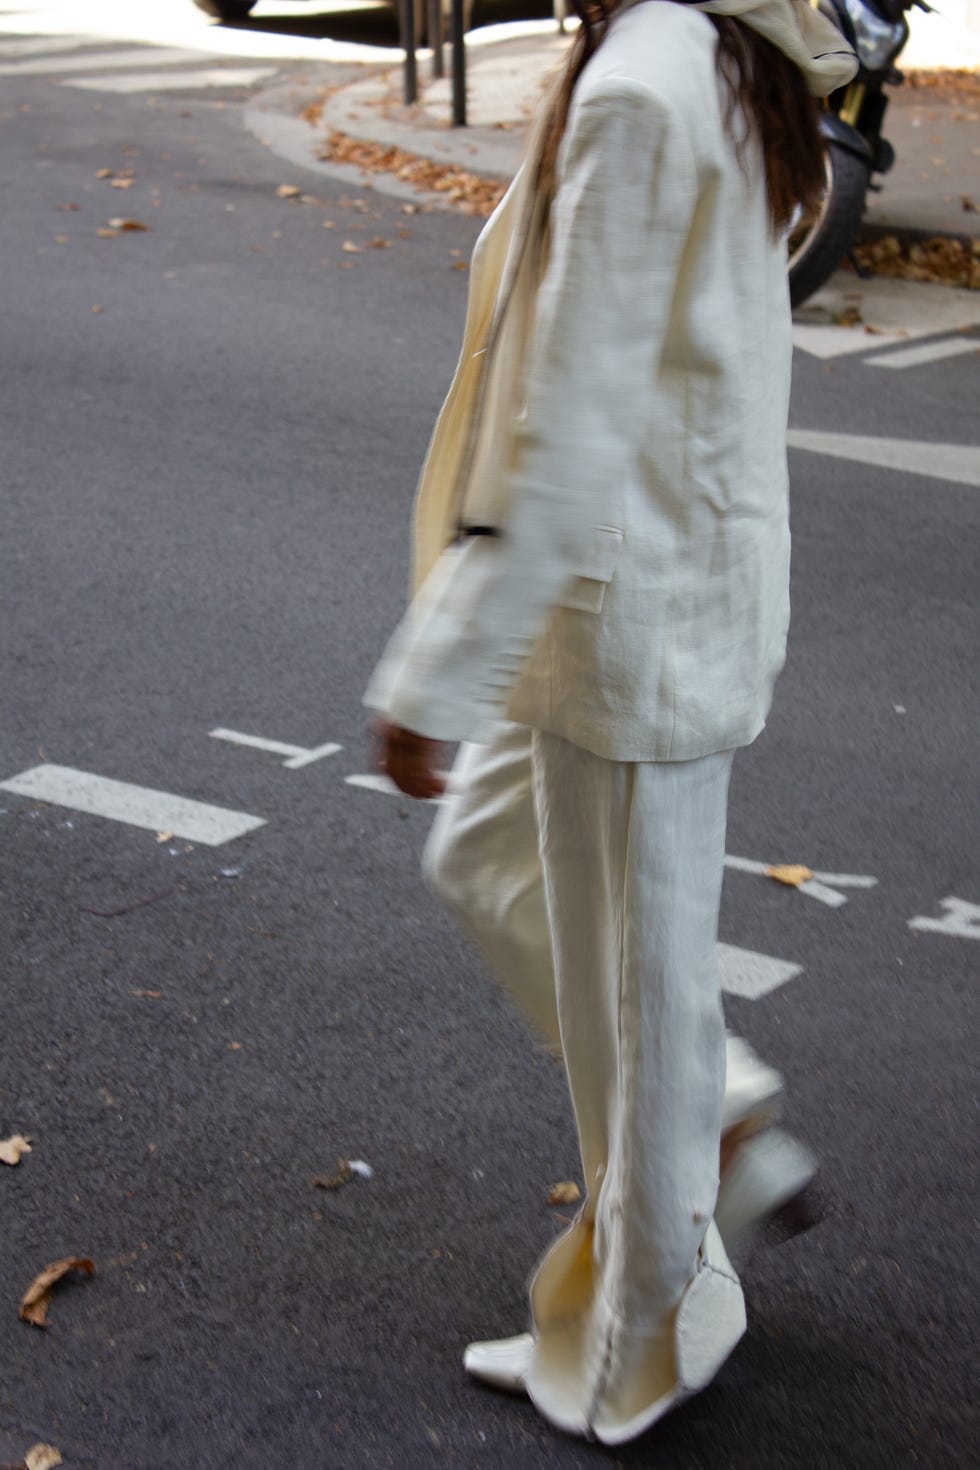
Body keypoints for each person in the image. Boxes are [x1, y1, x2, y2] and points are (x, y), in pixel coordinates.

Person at [366, 0, 856, 1444]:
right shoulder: (705, 51)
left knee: (640, 1013)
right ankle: (719, 1120)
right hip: (619, 594)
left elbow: (572, 421)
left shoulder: (649, 79)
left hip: (625, 614)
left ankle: (637, 1341)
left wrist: (433, 672)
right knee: (482, 862)